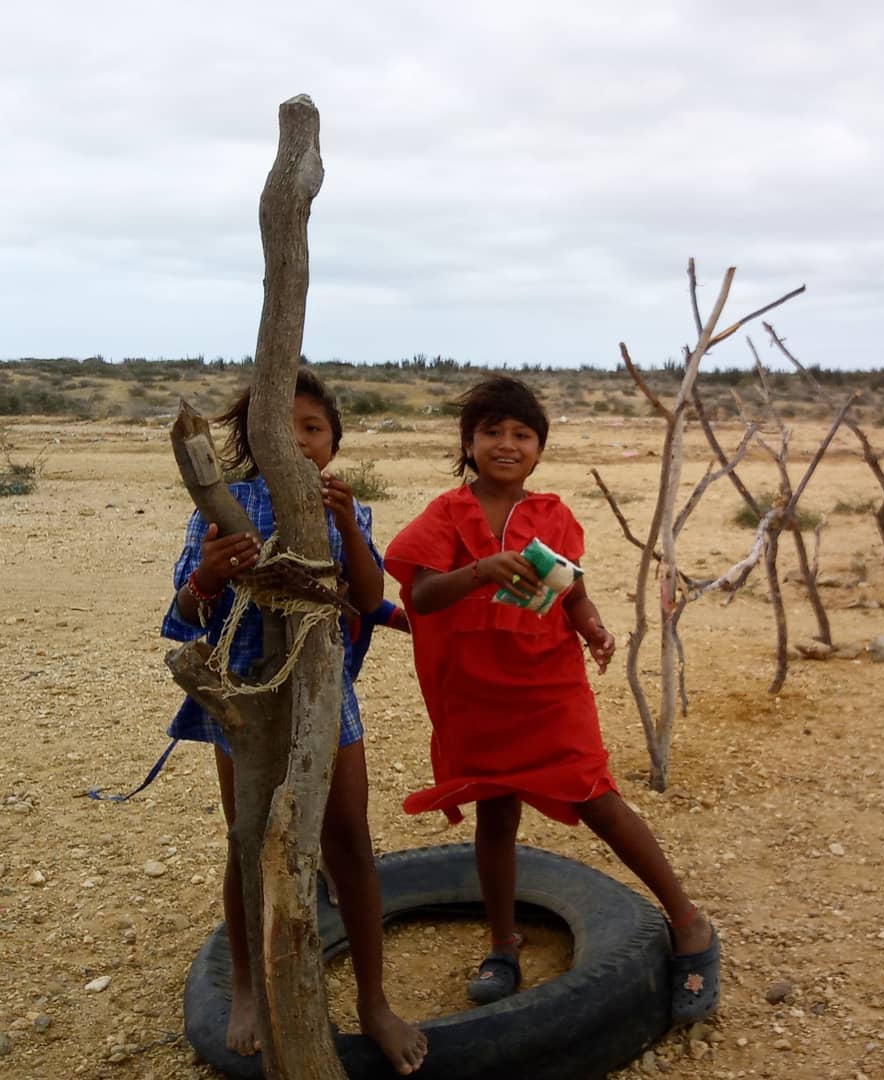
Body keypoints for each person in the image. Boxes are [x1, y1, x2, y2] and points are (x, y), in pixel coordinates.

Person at [384, 376, 719, 1023]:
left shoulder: (553, 516)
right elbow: (420, 598)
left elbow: (571, 589)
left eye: (521, 434)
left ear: (537, 448)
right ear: (469, 442)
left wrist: (591, 624)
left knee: (597, 798)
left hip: (546, 685)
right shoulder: (444, 515)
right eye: (492, 432)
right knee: (495, 815)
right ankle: (503, 945)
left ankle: (689, 922)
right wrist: (479, 571)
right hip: (476, 693)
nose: (506, 444)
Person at [161, 370, 427, 1075]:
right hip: (244, 698)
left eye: (312, 427)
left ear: (333, 442)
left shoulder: (349, 507)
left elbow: (369, 599)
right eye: (279, 427)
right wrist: (211, 575)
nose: (297, 440)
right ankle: (247, 986)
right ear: (251, 439)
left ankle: (372, 1002)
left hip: (322, 693)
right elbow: (183, 614)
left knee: (348, 839)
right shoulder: (219, 505)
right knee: (248, 836)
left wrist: (343, 524)